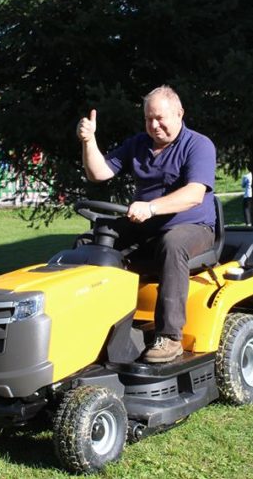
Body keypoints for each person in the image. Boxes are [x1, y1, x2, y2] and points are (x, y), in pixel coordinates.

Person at [76, 85, 217, 363]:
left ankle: (170, 337)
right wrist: (89, 141)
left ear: (179, 113)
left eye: (160, 118)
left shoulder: (198, 145)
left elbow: (194, 194)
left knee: (172, 243)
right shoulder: (138, 144)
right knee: (88, 244)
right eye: (148, 119)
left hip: (193, 228)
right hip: (147, 229)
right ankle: (90, 324)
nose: (154, 125)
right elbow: (98, 173)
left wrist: (151, 208)